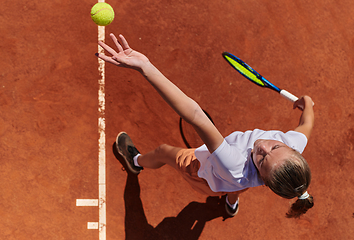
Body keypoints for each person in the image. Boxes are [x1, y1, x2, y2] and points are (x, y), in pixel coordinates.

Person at [97, 33, 315, 218]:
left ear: (265, 179)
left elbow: (195, 115)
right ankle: (231, 203)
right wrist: (308, 104)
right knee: (239, 186)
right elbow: (306, 122)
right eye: (275, 147)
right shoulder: (291, 145)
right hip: (236, 182)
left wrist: (146, 67)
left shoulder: (234, 164)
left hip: (200, 174)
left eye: (262, 159)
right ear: (292, 149)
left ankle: (135, 162)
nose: (263, 147)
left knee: (164, 151)